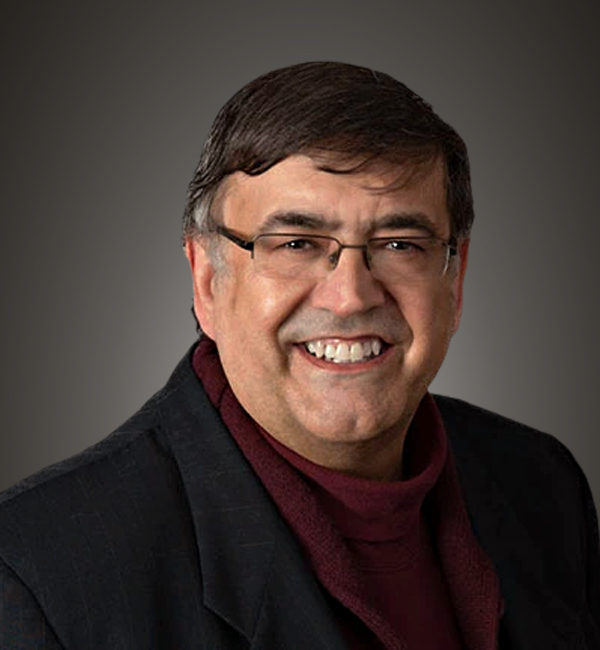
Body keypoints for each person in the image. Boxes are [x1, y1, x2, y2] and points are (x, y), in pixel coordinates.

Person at [0, 62, 598, 649]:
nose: (351, 296)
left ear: (455, 280)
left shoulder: (543, 485)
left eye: (399, 244)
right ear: (207, 281)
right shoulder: (38, 572)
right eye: (295, 244)